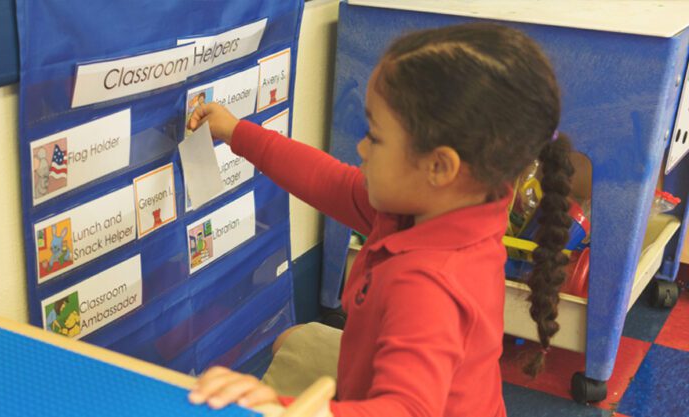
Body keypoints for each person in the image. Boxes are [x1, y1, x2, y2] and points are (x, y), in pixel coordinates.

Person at [185, 22, 575, 417]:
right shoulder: (449, 206)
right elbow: (327, 181)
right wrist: (238, 133)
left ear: (439, 166)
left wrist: (288, 407)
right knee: (291, 341)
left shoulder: (430, 284)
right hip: (409, 390)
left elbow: (407, 410)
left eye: (375, 136)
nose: (361, 147)